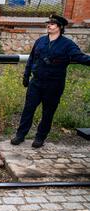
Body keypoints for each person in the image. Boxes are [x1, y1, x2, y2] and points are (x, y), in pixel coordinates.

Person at [11, 14, 90, 148]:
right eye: (48, 23)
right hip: (36, 82)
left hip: (54, 84)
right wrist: (26, 74)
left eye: (53, 23)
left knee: (48, 112)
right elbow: (31, 58)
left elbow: (79, 57)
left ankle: (40, 138)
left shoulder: (67, 44)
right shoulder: (40, 41)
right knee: (28, 110)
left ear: (60, 27)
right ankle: (20, 135)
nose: (49, 25)